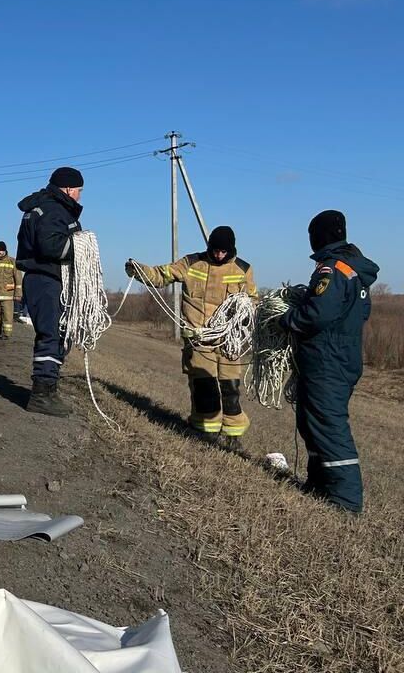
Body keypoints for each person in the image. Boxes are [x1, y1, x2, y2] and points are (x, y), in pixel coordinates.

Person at [280, 210, 378, 513]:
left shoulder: (332, 269)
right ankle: (319, 484)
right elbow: (360, 314)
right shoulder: (354, 271)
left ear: (318, 236)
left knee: (329, 426)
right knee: (312, 423)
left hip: (327, 362)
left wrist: (287, 319)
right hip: (340, 358)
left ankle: (346, 503)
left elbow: (317, 314)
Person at [126, 226, 259, 447]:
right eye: (215, 250)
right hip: (199, 341)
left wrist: (245, 316)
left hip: (228, 342)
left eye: (223, 251)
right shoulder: (191, 263)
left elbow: (252, 301)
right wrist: (140, 271)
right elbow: (162, 274)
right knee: (204, 387)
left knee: (230, 389)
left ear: (231, 250)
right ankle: (205, 432)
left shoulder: (243, 269)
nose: (218, 255)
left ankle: (234, 436)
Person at [15, 167, 84, 418]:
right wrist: (82, 245)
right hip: (46, 280)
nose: (78, 196)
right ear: (67, 189)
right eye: (78, 191)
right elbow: (51, 246)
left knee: (57, 334)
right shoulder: (55, 209)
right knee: (51, 335)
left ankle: (49, 388)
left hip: (42, 279)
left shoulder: (41, 206)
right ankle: (42, 395)